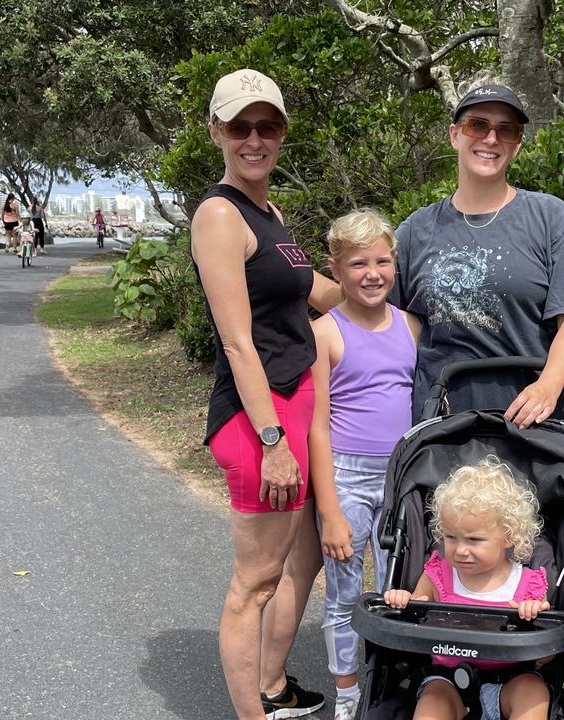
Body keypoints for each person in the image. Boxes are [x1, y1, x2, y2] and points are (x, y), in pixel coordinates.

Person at [190, 68, 341, 720]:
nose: (255, 138)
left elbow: (315, 296)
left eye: (268, 125)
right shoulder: (220, 214)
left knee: (294, 562)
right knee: (253, 583)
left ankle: (274, 687)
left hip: (295, 403)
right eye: (241, 125)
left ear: (281, 132)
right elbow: (238, 342)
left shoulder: (269, 213)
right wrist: (274, 441)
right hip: (261, 418)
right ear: (216, 131)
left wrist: (380, 273)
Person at [390, 84, 564, 429]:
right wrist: (294, 275)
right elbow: (373, 319)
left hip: (538, 427)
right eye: (477, 125)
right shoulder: (415, 230)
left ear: (517, 145)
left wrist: (547, 386)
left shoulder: (549, 217)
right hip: (446, 431)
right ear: (454, 135)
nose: (490, 138)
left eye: (506, 130)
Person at [308, 209, 420, 720]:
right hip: (346, 477)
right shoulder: (325, 333)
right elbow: (317, 426)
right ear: (335, 268)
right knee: (344, 593)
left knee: (397, 586)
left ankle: (393, 679)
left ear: (394, 264)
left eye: (381, 261)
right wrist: (329, 510)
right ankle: (349, 691)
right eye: (358, 264)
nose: (371, 273)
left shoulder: (411, 327)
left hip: (401, 477)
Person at [383, 457, 551, 720]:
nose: (460, 550)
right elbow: (412, 628)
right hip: (447, 681)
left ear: (508, 536)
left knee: (534, 692)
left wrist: (535, 621)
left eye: (474, 540)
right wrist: (405, 603)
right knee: (433, 700)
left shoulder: (527, 585)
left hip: (509, 681)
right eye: (451, 537)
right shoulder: (438, 575)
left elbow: (548, 659)